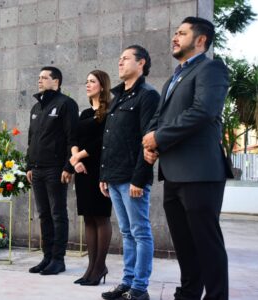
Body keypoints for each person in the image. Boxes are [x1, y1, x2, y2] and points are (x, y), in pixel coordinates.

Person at [142, 17, 233, 300]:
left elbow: (202, 112)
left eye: (182, 33)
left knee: (206, 242)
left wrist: (159, 137)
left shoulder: (211, 68)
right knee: (183, 243)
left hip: (200, 171)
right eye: (175, 33)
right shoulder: (175, 77)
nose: (175, 37)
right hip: (172, 172)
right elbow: (159, 118)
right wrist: (151, 142)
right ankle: (189, 293)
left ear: (201, 40)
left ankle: (216, 296)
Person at [99, 45, 159, 300]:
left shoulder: (147, 95)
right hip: (114, 176)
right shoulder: (118, 97)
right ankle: (127, 283)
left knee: (140, 232)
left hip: (132, 179)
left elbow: (148, 140)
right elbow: (110, 138)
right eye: (119, 58)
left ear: (141, 62)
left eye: (125, 59)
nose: (120, 63)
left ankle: (139, 288)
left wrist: (139, 177)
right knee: (126, 232)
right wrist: (104, 174)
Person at [26, 66, 79, 275]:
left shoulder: (66, 104)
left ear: (56, 81)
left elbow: (72, 137)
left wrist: (68, 166)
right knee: (44, 215)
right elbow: (31, 139)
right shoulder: (35, 108)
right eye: (39, 77)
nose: (40, 80)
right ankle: (47, 257)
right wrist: (29, 165)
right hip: (37, 170)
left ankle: (58, 259)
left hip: (56, 169)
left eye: (44, 77)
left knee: (58, 214)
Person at [68, 70, 112, 286]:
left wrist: (79, 156)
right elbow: (74, 137)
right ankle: (91, 267)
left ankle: (99, 266)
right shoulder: (85, 113)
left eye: (92, 81)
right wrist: (75, 160)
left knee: (101, 217)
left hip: (99, 169)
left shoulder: (109, 111)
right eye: (86, 81)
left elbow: (102, 141)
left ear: (102, 86)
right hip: (82, 170)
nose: (87, 85)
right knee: (88, 217)